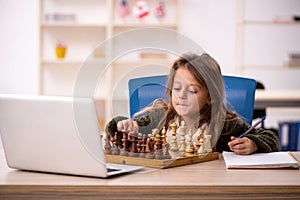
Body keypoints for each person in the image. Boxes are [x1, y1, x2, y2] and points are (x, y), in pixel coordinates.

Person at [105, 52, 279, 155]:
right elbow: (118, 133)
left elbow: (271, 138)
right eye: (177, 88)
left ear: (210, 96)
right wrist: (121, 124)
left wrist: (253, 143)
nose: (181, 96)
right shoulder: (160, 117)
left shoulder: (225, 125)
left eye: (193, 91)